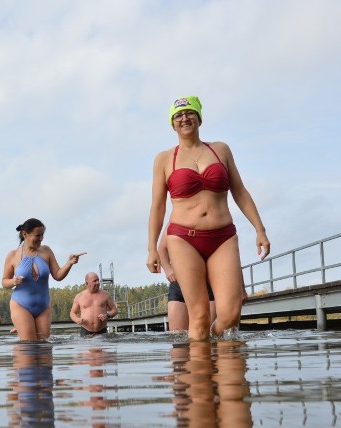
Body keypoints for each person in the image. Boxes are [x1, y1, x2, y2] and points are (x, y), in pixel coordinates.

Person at [147, 95, 270, 340]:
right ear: (172, 123)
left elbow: (240, 191)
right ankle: (201, 373)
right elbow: (158, 207)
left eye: (190, 113)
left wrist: (260, 229)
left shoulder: (220, 149)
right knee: (200, 315)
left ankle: (211, 343)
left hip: (222, 237)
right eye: (178, 116)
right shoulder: (164, 159)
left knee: (231, 313)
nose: (184, 118)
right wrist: (152, 249)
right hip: (183, 238)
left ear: (199, 117)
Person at [2, 218, 86, 341]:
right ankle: (23, 330)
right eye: (37, 235)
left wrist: (69, 263)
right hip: (21, 305)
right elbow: (4, 281)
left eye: (42, 235)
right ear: (25, 234)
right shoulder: (12, 255)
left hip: (43, 306)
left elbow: (58, 275)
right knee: (29, 346)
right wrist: (13, 281)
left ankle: (23, 330)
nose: (41, 238)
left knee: (44, 347)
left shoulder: (46, 251)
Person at [70, 272, 118, 336]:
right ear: (87, 283)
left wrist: (107, 315)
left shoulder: (105, 295)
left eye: (98, 280)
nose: (98, 283)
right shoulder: (79, 296)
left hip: (102, 331)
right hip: (85, 332)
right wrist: (77, 319)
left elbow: (114, 310)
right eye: (95, 281)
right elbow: (72, 313)